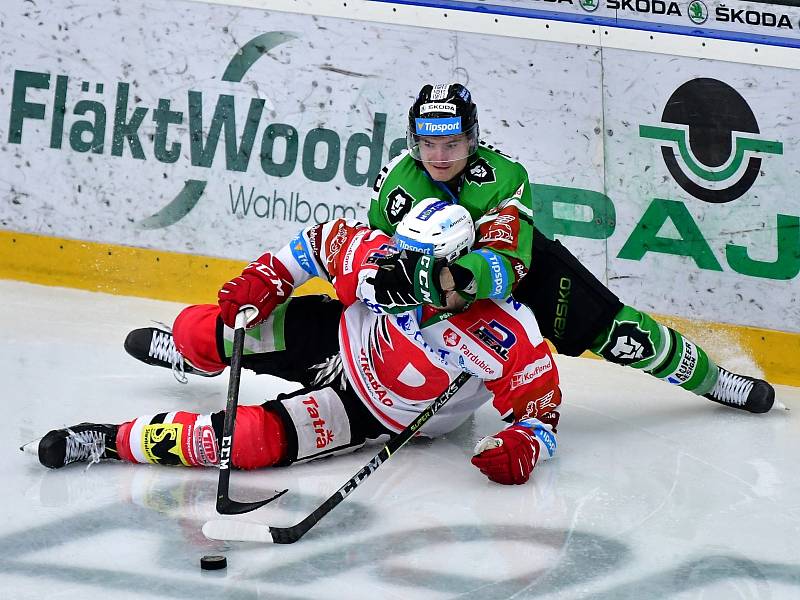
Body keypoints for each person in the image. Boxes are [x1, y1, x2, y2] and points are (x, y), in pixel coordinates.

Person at [23, 200, 561, 487]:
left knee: (248, 442)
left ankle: (111, 440)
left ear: (457, 265)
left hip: (370, 409)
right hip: (337, 336)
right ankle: (198, 359)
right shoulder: (384, 260)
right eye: (403, 253)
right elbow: (315, 244)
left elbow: (540, 411)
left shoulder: (505, 331)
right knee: (196, 329)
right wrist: (265, 279)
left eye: (424, 265)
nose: (403, 269)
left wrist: (523, 446)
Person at [366, 82, 774, 414]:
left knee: (620, 334)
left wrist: (451, 280)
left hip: (522, 273)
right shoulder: (393, 181)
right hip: (434, 291)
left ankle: (715, 380)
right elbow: (378, 250)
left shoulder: (503, 176)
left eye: (451, 144)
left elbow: (506, 261)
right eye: (427, 144)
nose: (438, 156)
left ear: (472, 141)